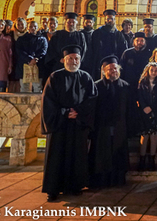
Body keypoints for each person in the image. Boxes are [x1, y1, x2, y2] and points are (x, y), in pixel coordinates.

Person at [41, 44, 97, 202]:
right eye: (70, 59)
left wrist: (77, 112)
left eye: (76, 59)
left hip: (77, 123)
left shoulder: (86, 77)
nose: (74, 61)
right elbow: (48, 101)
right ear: (63, 60)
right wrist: (65, 113)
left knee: (77, 156)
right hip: (59, 124)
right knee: (56, 156)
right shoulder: (54, 77)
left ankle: (75, 186)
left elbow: (92, 99)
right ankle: (53, 189)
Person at [88, 55, 129, 189]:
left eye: (115, 68)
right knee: (102, 154)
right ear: (104, 70)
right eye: (110, 69)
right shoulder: (96, 86)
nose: (113, 71)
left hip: (119, 127)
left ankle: (117, 179)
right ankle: (102, 180)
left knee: (118, 152)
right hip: (102, 127)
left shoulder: (125, 86)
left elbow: (130, 109)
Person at [136, 62, 157, 171]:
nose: (153, 72)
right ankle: (142, 159)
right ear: (148, 71)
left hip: (156, 111)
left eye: (156, 70)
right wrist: (144, 107)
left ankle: (152, 159)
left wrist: (152, 107)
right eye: (151, 70)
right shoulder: (142, 82)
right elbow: (139, 96)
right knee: (144, 135)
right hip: (144, 111)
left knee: (154, 135)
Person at [45, 13, 87, 78]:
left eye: (73, 22)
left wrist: (77, 60)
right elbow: (51, 50)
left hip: (75, 66)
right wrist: (59, 59)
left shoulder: (80, 36)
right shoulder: (57, 35)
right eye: (69, 22)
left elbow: (83, 50)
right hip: (60, 65)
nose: (71, 24)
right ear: (65, 23)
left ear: (76, 23)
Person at [91, 10, 128, 80]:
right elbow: (92, 48)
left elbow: (123, 50)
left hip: (114, 62)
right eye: (108, 19)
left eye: (112, 19)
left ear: (114, 20)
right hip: (99, 62)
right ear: (105, 20)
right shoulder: (97, 33)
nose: (110, 21)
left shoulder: (119, 34)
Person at [16, 20, 48, 93]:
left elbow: (43, 51)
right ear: (27, 27)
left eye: (35, 26)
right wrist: (29, 59)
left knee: (38, 87)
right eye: (31, 26)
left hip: (37, 65)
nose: (33, 28)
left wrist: (36, 58)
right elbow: (19, 51)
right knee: (24, 87)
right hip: (24, 65)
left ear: (37, 28)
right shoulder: (21, 39)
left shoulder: (42, 39)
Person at [8, 17, 27, 93]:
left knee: (21, 80)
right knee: (12, 79)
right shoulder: (11, 34)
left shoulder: (27, 35)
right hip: (12, 59)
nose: (20, 26)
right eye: (18, 24)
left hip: (23, 60)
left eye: (22, 24)